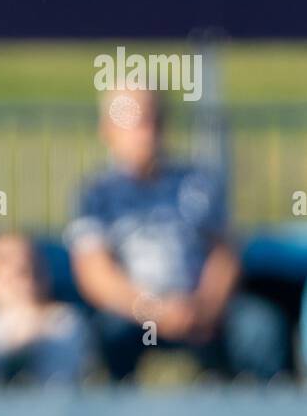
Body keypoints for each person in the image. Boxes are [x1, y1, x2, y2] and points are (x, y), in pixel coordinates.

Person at [66, 88, 287, 381]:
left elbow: (225, 252)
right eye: (134, 120)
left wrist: (204, 307)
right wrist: (152, 310)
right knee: (108, 334)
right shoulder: (98, 194)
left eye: (153, 118)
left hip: (200, 308)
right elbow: (95, 274)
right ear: (107, 129)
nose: (147, 130)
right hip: (133, 315)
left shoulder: (197, 183)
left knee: (259, 328)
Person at [0, 233, 89, 384]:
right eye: (8, 264)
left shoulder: (64, 321)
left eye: (31, 268)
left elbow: (62, 378)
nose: (26, 280)